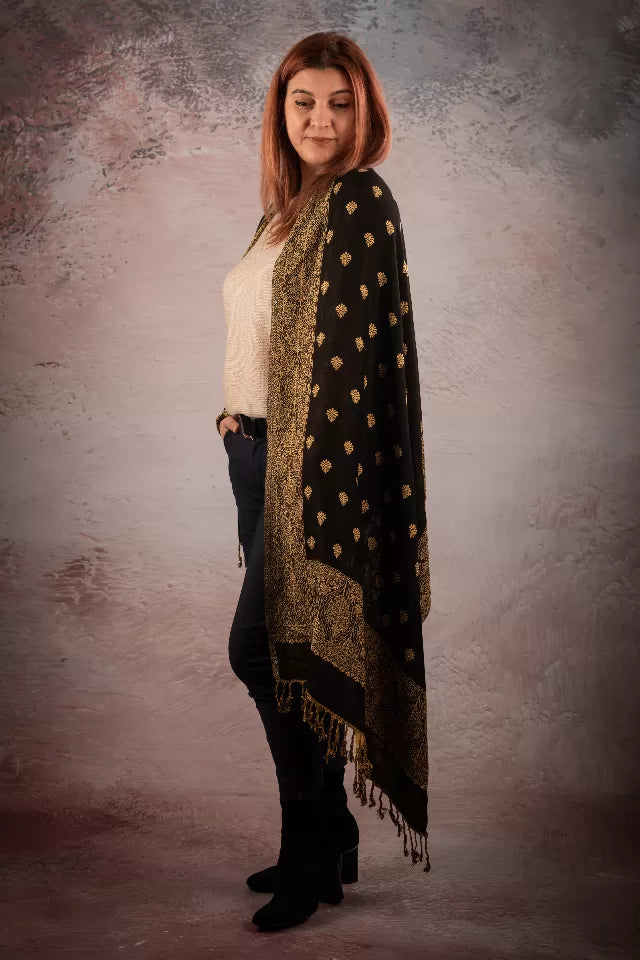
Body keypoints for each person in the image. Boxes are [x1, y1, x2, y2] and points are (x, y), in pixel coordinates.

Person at [216, 31, 432, 932]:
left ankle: (315, 842)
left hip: (312, 469)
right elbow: (267, 340)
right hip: (253, 458)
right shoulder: (285, 211)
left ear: (363, 113)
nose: (321, 119)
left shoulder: (360, 203)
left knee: (266, 653)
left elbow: (352, 368)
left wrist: (291, 462)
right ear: (281, 110)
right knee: (285, 658)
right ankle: (324, 834)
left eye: (340, 104)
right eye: (303, 101)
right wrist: (232, 419)